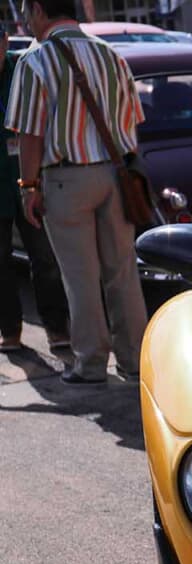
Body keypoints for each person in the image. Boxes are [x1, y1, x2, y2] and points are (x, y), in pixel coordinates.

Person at [6, 0, 148, 384]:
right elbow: (132, 122)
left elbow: (30, 133)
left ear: (39, 10)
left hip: (66, 180)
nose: (26, 21)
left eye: (26, 13)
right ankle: (135, 360)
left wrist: (28, 187)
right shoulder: (112, 55)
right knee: (122, 273)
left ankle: (91, 364)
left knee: (80, 277)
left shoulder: (35, 60)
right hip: (116, 176)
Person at [0, 24, 68, 353]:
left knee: (44, 258)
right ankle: (10, 330)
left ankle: (57, 328)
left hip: (30, 175)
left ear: (4, 40)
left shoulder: (23, 67)